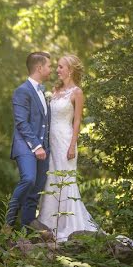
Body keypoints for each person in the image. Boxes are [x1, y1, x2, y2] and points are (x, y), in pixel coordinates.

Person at [37, 54, 99, 241]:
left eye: (61, 67)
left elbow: (77, 121)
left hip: (65, 141)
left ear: (70, 70)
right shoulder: (55, 91)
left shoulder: (77, 92)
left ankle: (68, 226)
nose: (57, 70)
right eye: (56, 66)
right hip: (51, 142)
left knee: (65, 180)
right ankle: (48, 224)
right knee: (52, 178)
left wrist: (72, 145)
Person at [6, 52, 52, 231]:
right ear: (39, 68)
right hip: (25, 145)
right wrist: (37, 146)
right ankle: (8, 223)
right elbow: (21, 122)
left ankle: (27, 225)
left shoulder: (43, 91)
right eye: (49, 66)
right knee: (29, 179)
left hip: (43, 148)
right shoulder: (22, 91)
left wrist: (46, 147)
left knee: (36, 189)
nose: (51, 69)